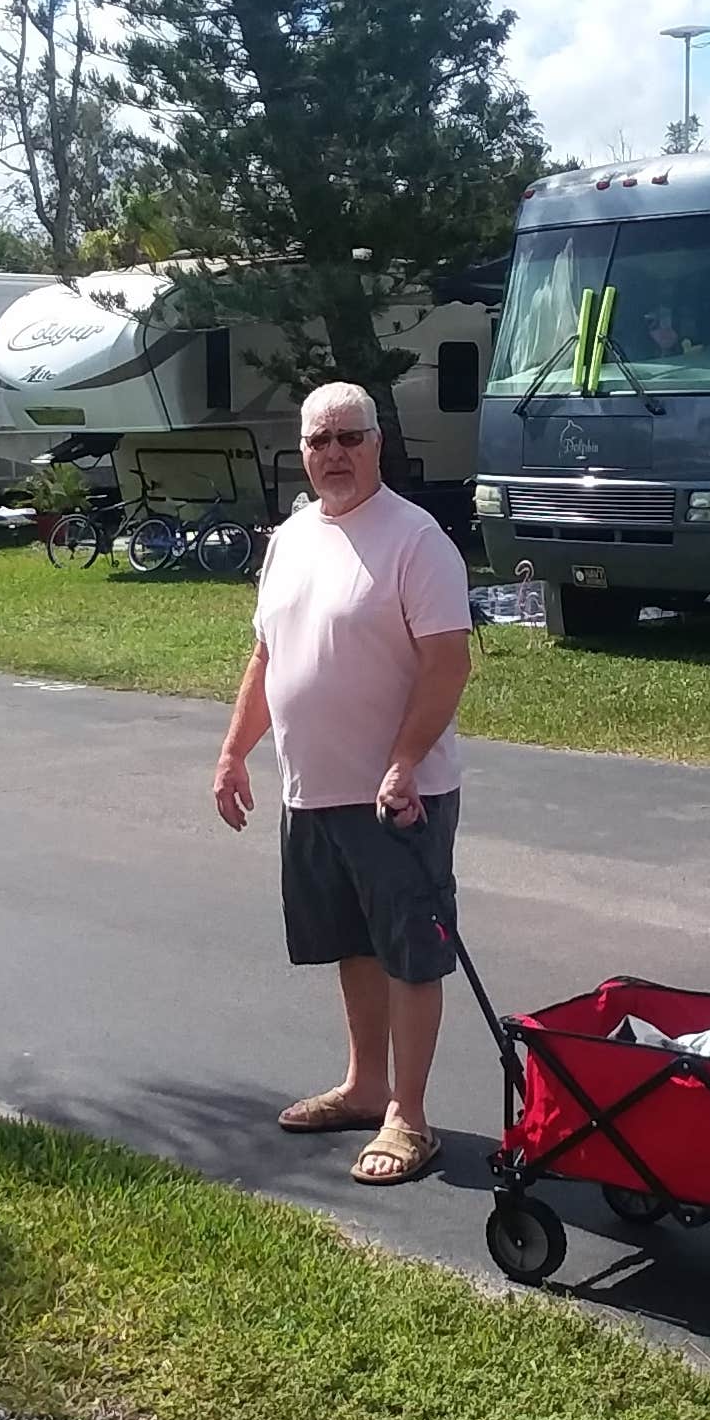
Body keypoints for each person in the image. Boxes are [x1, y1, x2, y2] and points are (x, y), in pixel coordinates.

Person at [213, 381, 472, 1186]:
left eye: (348, 438)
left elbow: (446, 660)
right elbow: (267, 657)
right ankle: (366, 1086)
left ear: (377, 444)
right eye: (319, 441)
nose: (334, 454)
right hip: (311, 791)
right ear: (302, 451)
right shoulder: (291, 538)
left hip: (397, 797)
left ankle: (410, 1117)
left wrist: (404, 760)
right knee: (351, 945)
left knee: (409, 953)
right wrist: (232, 754)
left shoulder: (415, 539)